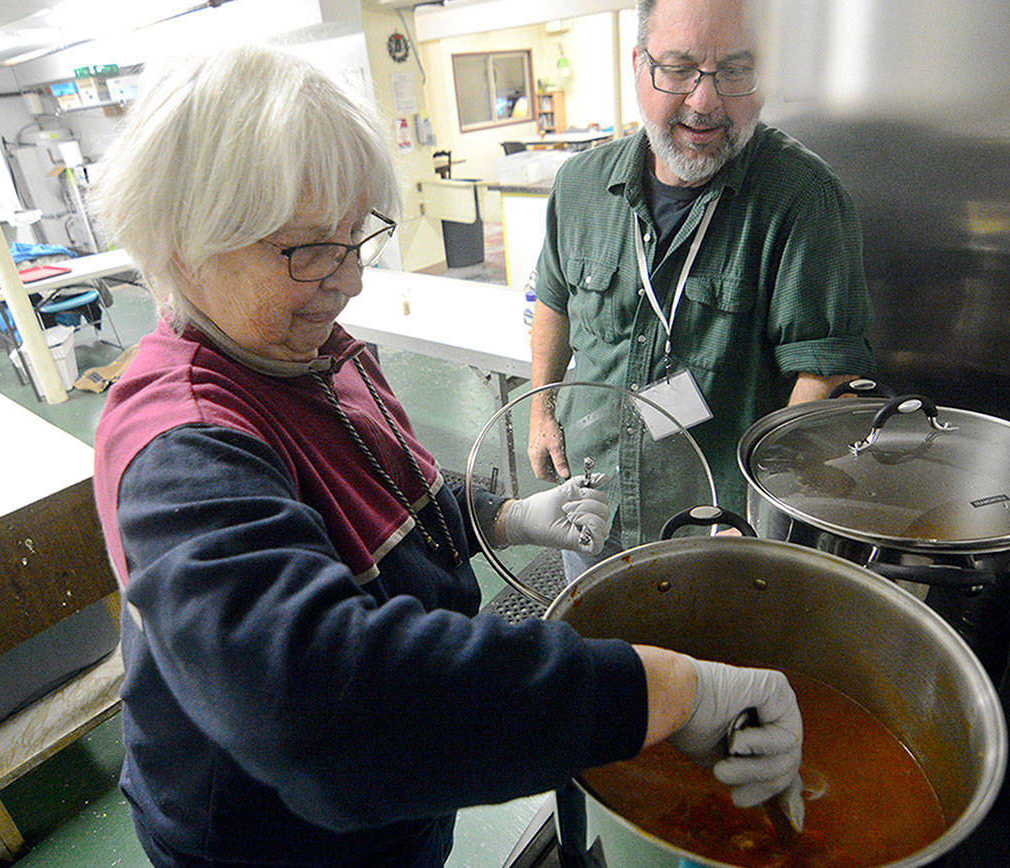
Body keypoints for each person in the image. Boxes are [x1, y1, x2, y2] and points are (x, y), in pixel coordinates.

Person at [90, 44, 802, 867]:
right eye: (308, 251)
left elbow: (381, 483)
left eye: (356, 236)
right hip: (278, 842)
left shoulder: (308, 351)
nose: (348, 280)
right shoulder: (184, 447)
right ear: (185, 244)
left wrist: (503, 516)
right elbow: (321, 711)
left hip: (397, 808)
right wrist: (672, 690)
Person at [528, 0, 875, 571]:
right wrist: (542, 411)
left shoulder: (803, 199)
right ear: (638, 65)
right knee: (597, 658)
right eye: (679, 67)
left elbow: (824, 373)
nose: (706, 101)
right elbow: (554, 300)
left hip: (716, 529)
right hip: (591, 504)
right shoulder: (580, 186)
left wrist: (771, 513)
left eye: (735, 69)